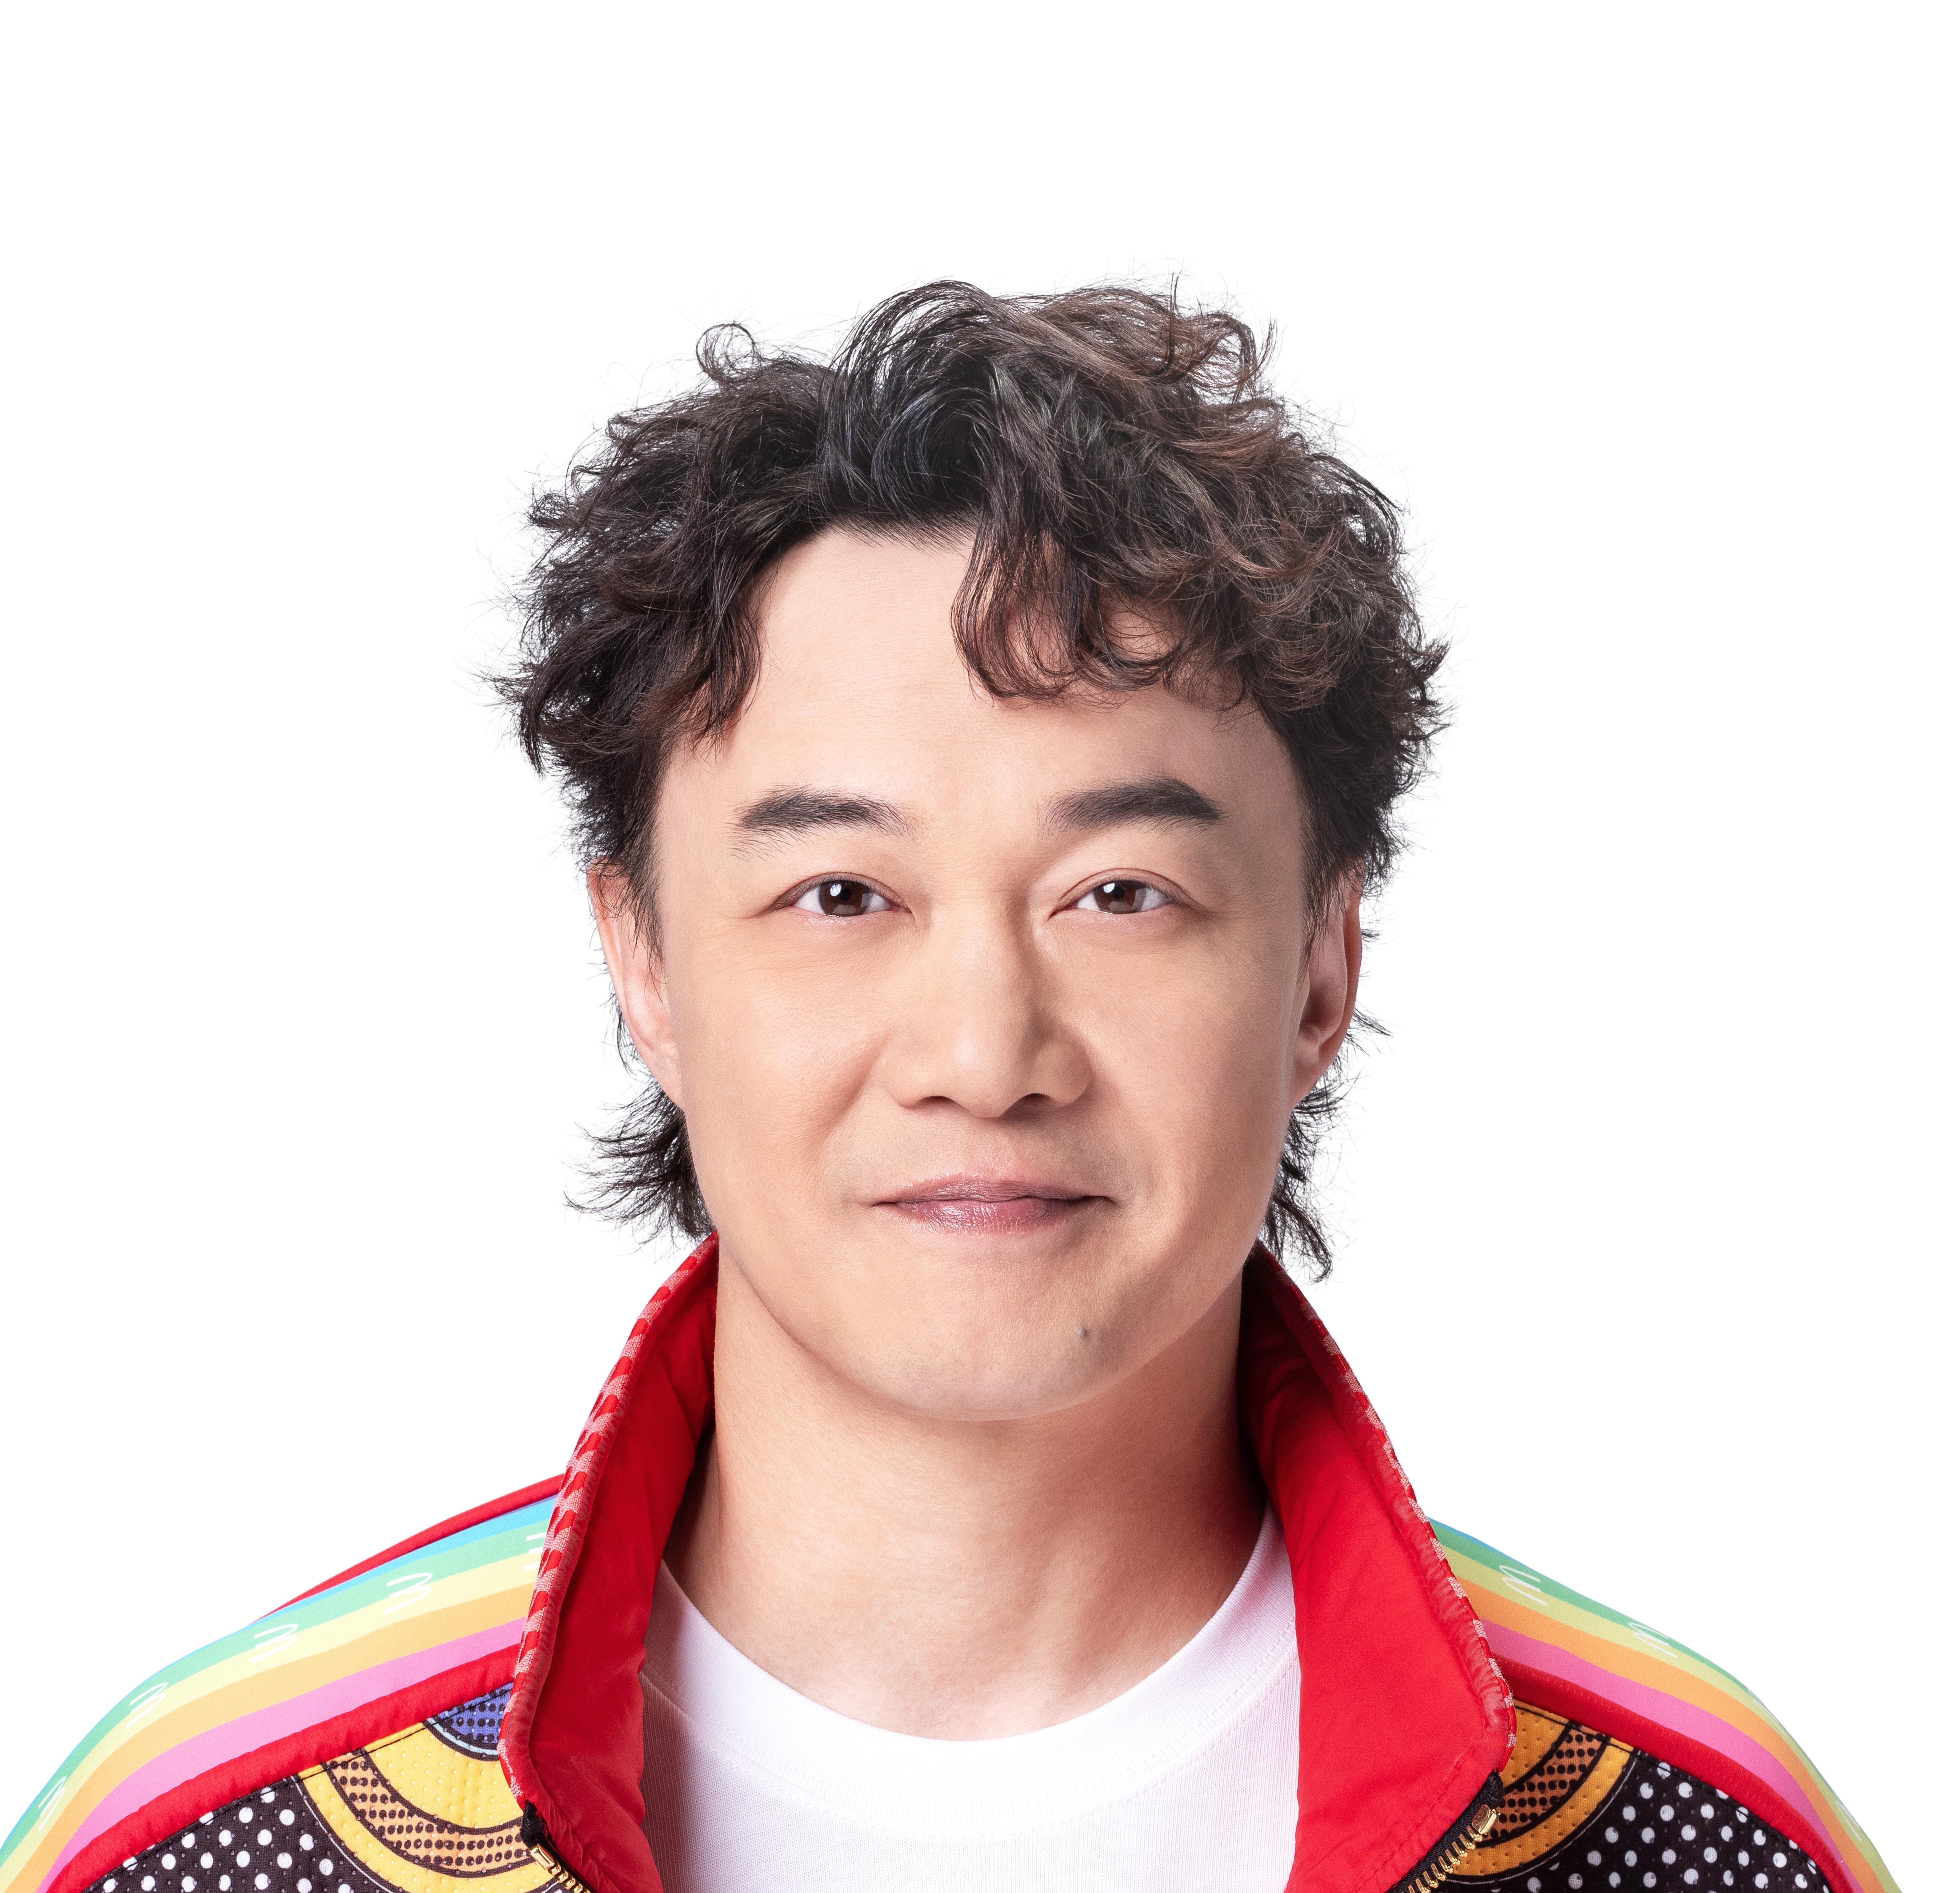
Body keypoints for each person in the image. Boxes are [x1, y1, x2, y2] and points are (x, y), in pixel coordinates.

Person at [1, 285, 1897, 1893]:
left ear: (1323, 964)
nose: (985, 1055)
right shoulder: (203, 1839)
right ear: (644, 962)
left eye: (1120, 893)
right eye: (842, 894)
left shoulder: (1705, 1842)